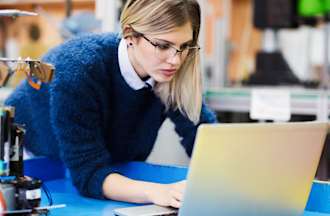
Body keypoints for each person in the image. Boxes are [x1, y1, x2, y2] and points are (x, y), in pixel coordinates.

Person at [5, 0, 217, 208]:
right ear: (130, 34)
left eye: (185, 46)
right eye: (163, 46)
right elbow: (88, 173)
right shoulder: (79, 68)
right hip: (24, 160)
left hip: (95, 169)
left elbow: (204, 138)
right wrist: (157, 191)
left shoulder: (169, 72)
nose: (176, 60)